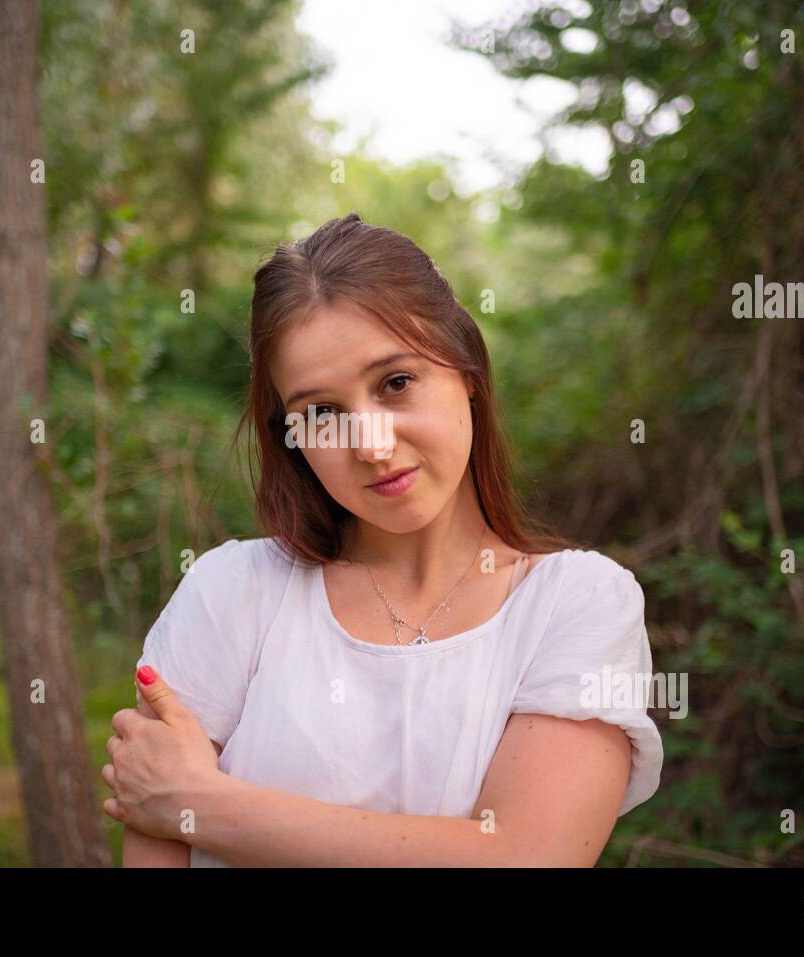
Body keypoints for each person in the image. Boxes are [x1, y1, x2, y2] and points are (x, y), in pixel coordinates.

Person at [101, 213, 663, 866]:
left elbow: (526, 857)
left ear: (468, 374)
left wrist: (200, 802)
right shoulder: (231, 593)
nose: (370, 444)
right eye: (322, 413)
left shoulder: (579, 602)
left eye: (396, 383)